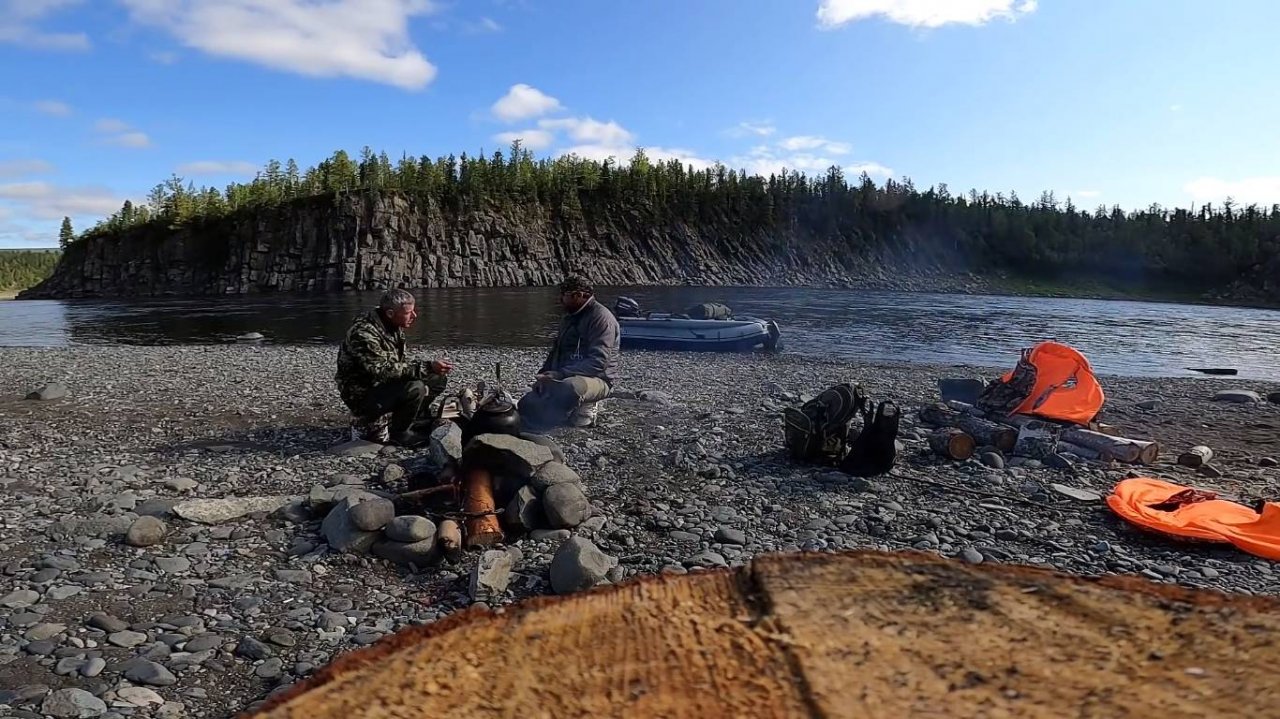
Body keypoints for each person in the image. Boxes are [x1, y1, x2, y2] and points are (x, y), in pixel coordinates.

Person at [335, 288, 453, 446]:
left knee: (437, 379)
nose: (414, 316)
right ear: (390, 313)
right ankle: (400, 433)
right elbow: (382, 370)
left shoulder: (392, 326)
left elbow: (398, 363)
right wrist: (427, 367)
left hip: (382, 385)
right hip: (362, 394)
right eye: (408, 312)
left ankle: (414, 417)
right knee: (415, 387)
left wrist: (430, 369)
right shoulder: (363, 334)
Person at [518, 276, 620, 429]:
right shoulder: (569, 318)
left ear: (578, 295)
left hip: (597, 378)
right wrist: (544, 375)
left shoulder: (601, 319)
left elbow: (598, 362)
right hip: (565, 374)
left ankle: (587, 405)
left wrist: (560, 374)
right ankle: (563, 408)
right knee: (525, 404)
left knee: (569, 388)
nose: (560, 300)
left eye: (563, 295)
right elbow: (556, 351)